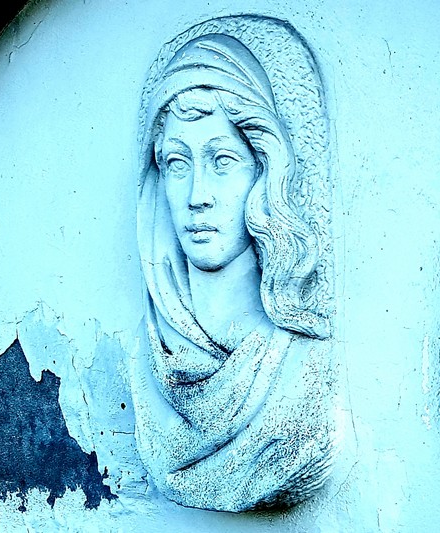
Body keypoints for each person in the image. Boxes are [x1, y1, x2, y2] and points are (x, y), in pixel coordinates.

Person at [134, 32, 336, 511]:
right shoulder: (148, 358)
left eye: (222, 161)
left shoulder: (304, 366)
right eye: (177, 163)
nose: (197, 195)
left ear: (263, 171)